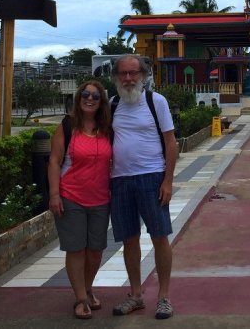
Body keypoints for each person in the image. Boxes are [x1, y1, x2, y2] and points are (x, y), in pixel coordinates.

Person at [109, 55, 179, 320]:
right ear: (116, 77)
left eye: (133, 73)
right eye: (123, 74)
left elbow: (171, 142)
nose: (128, 79)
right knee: (129, 239)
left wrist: (168, 181)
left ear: (144, 75)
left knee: (160, 237)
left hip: (151, 177)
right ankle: (136, 294)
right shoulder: (112, 104)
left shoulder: (155, 101)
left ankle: (164, 297)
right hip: (120, 180)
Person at [48, 80, 113, 320]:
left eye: (95, 96)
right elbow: (54, 161)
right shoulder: (67, 126)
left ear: (101, 101)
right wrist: (54, 195)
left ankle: (87, 287)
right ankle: (80, 298)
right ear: (78, 98)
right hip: (71, 197)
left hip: (100, 199)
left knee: (95, 250)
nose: (89, 99)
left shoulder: (107, 129)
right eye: (85, 94)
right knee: (76, 249)